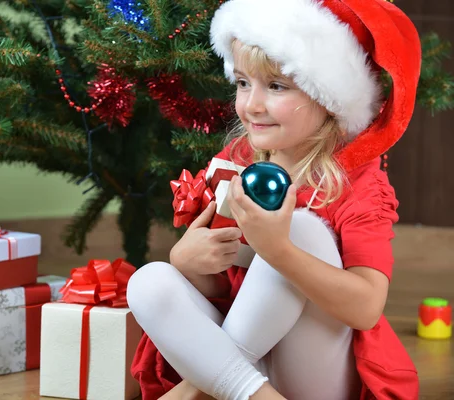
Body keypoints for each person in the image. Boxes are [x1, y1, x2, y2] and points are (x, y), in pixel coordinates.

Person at [127, 0, 422, 399]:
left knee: (302, 230)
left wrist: (279, 250)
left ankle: (197, 392)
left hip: (315, 371)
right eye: (243, 83)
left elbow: (366, 308)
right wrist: (189, 263)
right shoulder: (234, 163)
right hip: (248, 369)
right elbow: (225, 290)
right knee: (149, 281)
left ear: (328, 97)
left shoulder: (357, 184)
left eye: (277, 86)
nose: (252, 105)